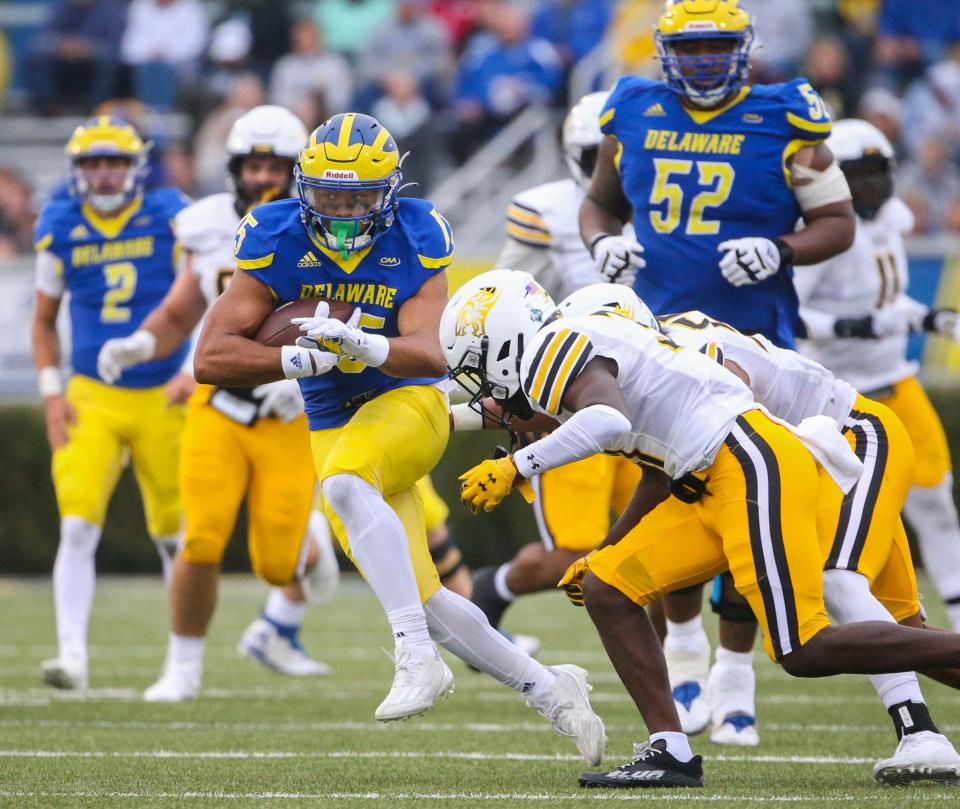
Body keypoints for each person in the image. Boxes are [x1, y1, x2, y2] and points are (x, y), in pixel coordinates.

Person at [188, 112, 607, 763]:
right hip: (333, 423)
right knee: (431, 598)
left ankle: (413, 654)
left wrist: (367, 345)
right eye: (330, 194)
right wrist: (297, 359)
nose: (345, 210)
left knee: (348, 486)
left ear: (388, 190)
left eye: (359, 196)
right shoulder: (273, 235)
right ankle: (555, 692)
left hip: (407, 405)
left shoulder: (416, 231)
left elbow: (432, 353)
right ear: (306, 189)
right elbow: (209, 358)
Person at [442, 268, 960, 789]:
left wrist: (517, 467)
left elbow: (606, 421)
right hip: (712, 473)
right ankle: (670, 750)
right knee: (608, 585)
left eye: (479, 363)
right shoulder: (612, 352)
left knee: (806, 648)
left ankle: (919, 730)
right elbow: (637, 457)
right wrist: (609, 547)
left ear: (507, 340)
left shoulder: (555, 345)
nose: (482, 380)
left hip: (755, 458)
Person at [578, 0, 858, 744]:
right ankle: (686, 648)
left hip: (755, 345)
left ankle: (735, 671)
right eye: (691, 47)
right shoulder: (632, 107)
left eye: (718, 47)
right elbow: (599, 206)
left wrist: (783, 249)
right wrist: (604, 245)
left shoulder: (784, 115)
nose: (703, 60)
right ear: (667, 50)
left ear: (744, 47)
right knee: (675, 490)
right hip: (661, 340)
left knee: (748, 506)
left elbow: (840, 221)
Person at [96, 106, 337, 700]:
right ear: (234, 168)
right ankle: (182, 666)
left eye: (276, 165)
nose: (263, 177)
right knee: (199, 540)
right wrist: (141, 343)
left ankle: (308, 540)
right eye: (253, 165)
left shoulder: (324, 231)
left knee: (277, 567)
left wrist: (304, 376)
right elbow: (184, 309)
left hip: (289, 412)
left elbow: (342, 319)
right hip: (219, 406)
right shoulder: (206, 226)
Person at [460, 92, 641, 637]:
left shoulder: (669, 200)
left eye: (622, 155)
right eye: (598, 155)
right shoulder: (549, 210)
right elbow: (504, 300)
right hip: (571, 396)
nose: (611, 168)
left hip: (648, 390)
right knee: (576, 553)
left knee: (658, 542)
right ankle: (499, 585)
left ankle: (683, 675)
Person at [31, 116, 192, 690]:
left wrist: (195, 367)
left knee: (176, 535)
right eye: (93, 163)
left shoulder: (171, 213)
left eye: (114, 163)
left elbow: (208, 289)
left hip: (163, 388)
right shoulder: (61, 222)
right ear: (78, 171)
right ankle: (71, 655)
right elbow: (44, 323)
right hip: (91, 394)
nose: (103, 174)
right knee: (76, 526)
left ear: (135, 167)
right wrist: (52, 395)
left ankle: (182, 662)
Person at [795, 118, 960, 633]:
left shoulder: (891, 218)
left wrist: (928, 318)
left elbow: (887, 299)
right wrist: (857, 326)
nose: (870, 185)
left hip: (896, 380)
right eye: (857, 174)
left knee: (936, 499)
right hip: (835, 398)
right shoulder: (822, 232)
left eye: (877, 172)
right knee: (834, 520)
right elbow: (790, 314)